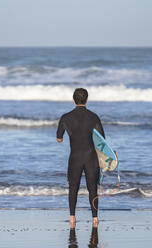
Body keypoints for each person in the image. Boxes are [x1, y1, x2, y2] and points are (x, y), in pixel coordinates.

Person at [56, 88, 105, 228]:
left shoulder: (65, 117)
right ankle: (95, 218)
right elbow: (102, 140)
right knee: (92, 189)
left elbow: (59, 138)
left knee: (73, 188)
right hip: (91, 158)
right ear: (87, 100)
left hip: (75, 158)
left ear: (73, 100)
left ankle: (72, 217)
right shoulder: (94, 117)